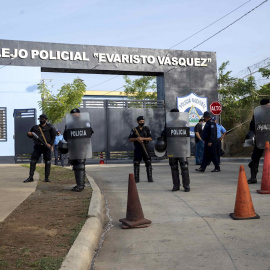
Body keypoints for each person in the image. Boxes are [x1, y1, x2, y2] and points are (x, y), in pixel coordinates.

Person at [160, 108, 190, 192]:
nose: (174, 115)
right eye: (173, 114)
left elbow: (187, 136)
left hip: (182, 148)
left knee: (184, 166)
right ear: (170, 115)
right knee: (174, 167)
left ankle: (186, 185)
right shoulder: (168, 124)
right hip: (172, 148)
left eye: (175, 114)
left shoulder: (183, 123)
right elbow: (163, 135)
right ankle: (176, 185)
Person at [63, 108, 94, 192]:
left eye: (76, 113)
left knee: (80, 165)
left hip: (82, 146)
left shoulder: (85, 122)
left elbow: (89, 132)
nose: (75, 115)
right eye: (73, 114)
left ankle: (81, 186)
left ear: (79, 114)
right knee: (75, 166)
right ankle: (78, 184)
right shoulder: (69, 124)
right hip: (73, 147)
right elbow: (65, 135)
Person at [23, 114, 56, 183]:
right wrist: (29, 134)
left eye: (43, 120)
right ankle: (31, 177)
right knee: (33, 161)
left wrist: (50, 144)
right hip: (38, 146)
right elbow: (30, 134)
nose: (41, 121)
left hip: (46, 146)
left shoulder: (50, 127)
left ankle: (46, 178)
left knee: (47, 161)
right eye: (40, 120)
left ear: (46, 120)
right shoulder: (35, 127)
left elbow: (53, 137)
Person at [247, 98, 270, 184]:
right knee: (255, 158)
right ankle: (253, 177)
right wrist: (251, 139)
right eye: (268, 104)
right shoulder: (257, 114)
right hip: (260, 138)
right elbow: (252, 127)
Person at [129, 116, 153, 183]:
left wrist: (142, 138)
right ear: (137, 122)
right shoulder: (134, 130)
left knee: (148, 162)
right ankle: (136, 179)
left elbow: (150, 138)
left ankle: (150, 178)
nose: (142, 122)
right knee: (136, 163)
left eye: (143, 121)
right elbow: (130, 139)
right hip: (138, 148)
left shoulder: (146, 128)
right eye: (140, 121)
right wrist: (136, 139)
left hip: (145, 147)